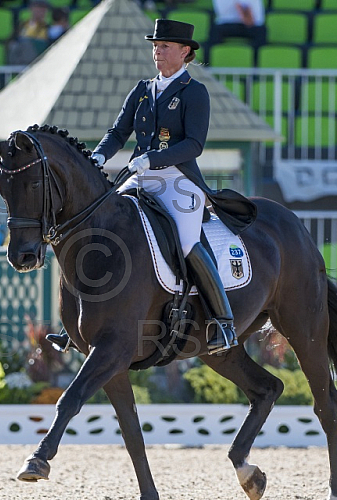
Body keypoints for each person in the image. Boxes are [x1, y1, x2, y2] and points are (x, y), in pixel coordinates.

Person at [95, 19, 242, 355]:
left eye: (164, 46)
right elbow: (118, 132)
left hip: (178, 180)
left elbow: (194, 144)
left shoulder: (194, 92)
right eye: (155, 46)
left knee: (188, 241)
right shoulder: (142, 90)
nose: (157, 51)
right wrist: (99, 155)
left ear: (184, 51)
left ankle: (223, 321)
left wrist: (153, 159)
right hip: (141, 175)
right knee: (102, 221)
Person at [7, 0, 49, 65]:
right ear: (31, 8)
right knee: (13, 45)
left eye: (42, 8)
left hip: (39, 54)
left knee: (26, 43)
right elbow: (12, 39)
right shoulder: (22, 25)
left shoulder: (49, 27)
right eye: (37, 7)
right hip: (20, 53)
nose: (40, 10)